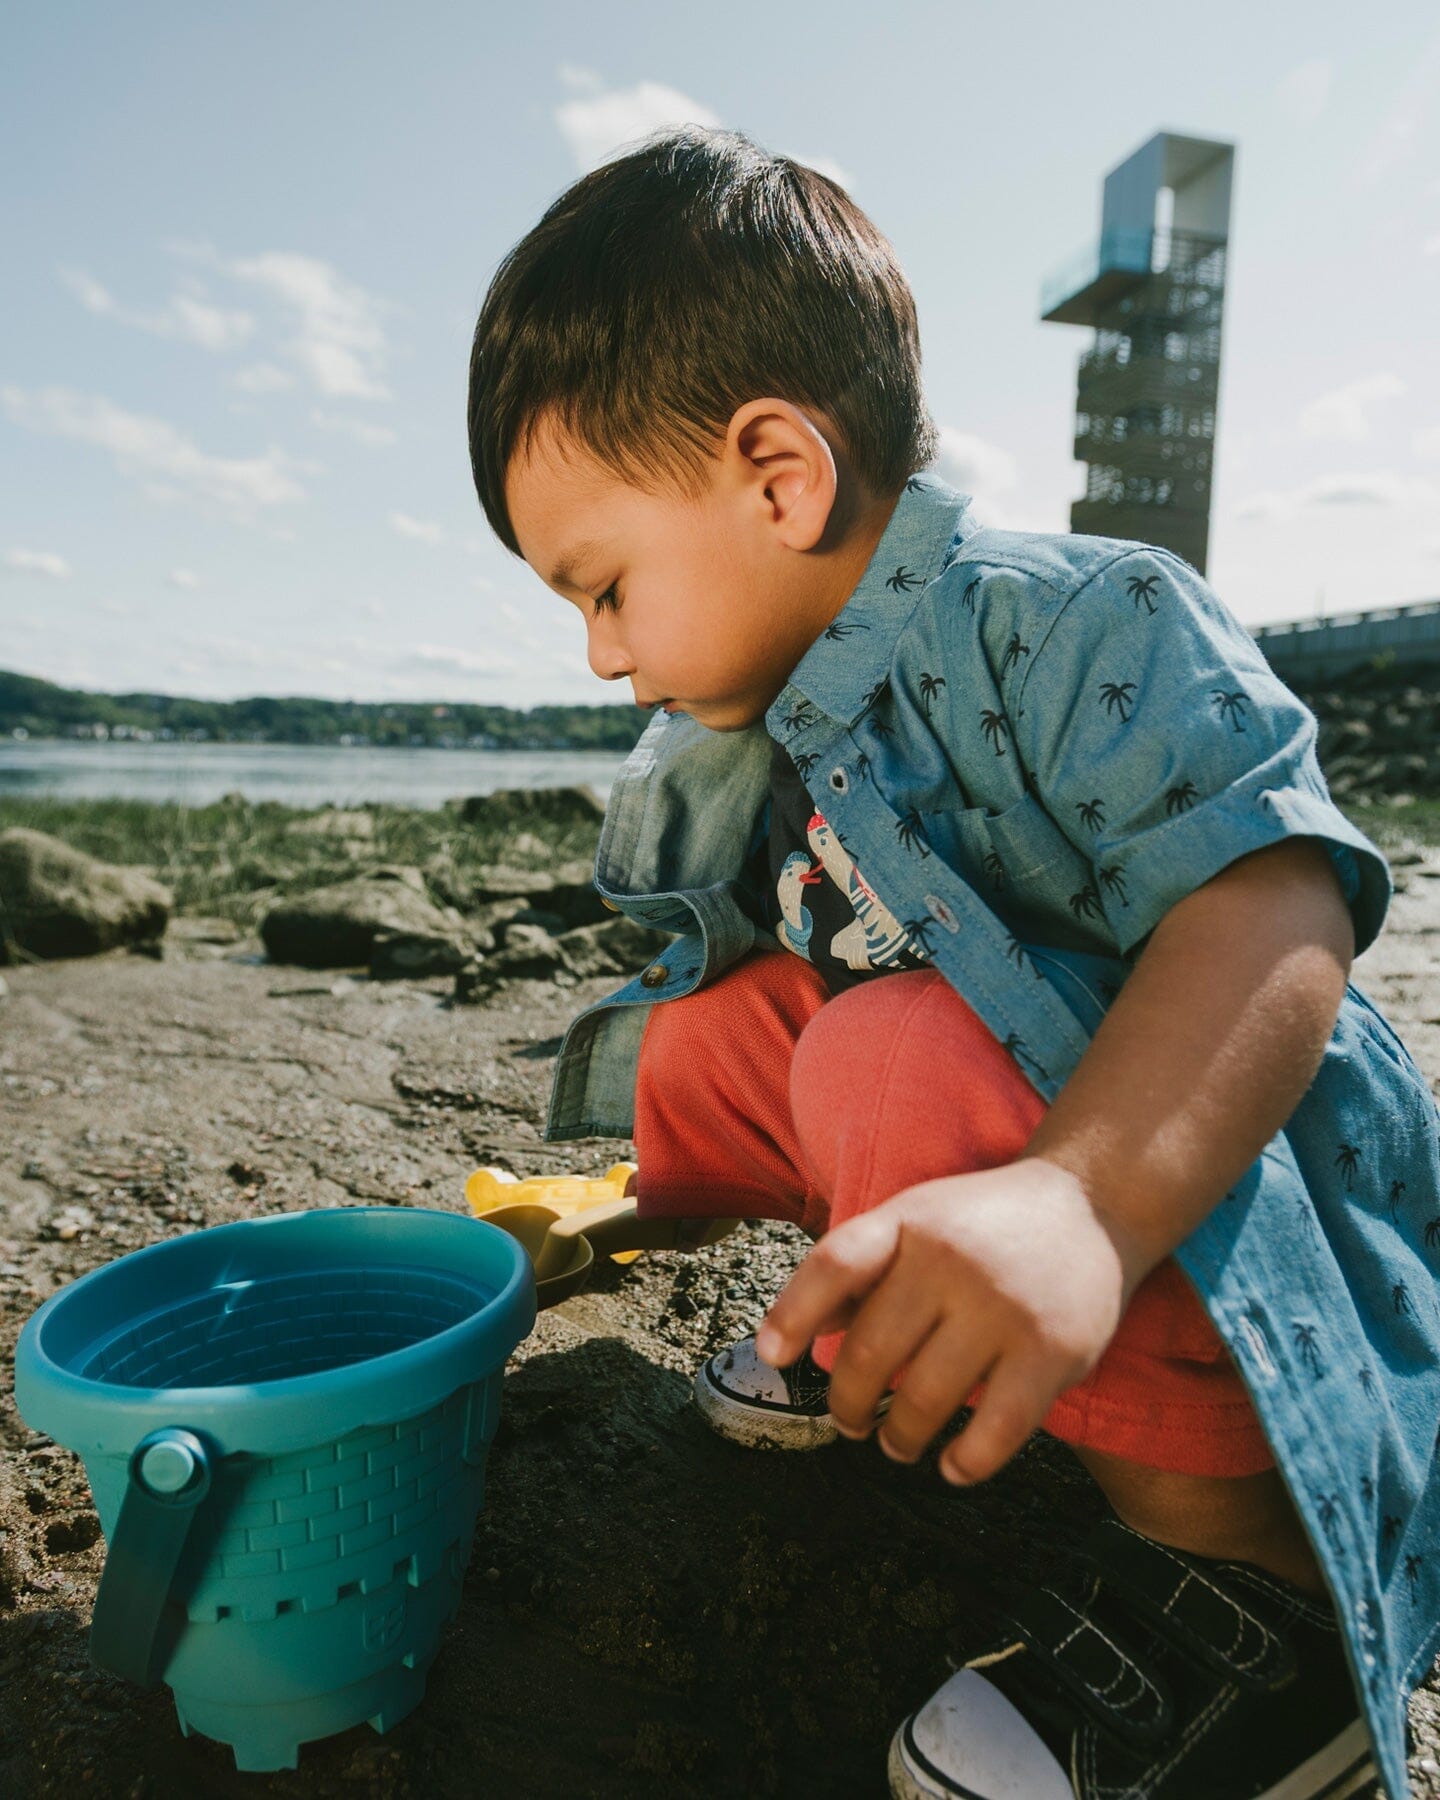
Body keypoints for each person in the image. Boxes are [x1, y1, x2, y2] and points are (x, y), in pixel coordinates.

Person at [467, 124, 1440, 1800]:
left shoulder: (1080, 621)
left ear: (779, 476)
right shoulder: (775, 722)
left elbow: (1273, 911)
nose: (602, 656)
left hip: (1216, 1166)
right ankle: (899, 1314)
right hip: (1004, 1110)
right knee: (715, 1037)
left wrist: (1080, 1200)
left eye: (605, 585)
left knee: (877, 1053)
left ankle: (1251, 1592)